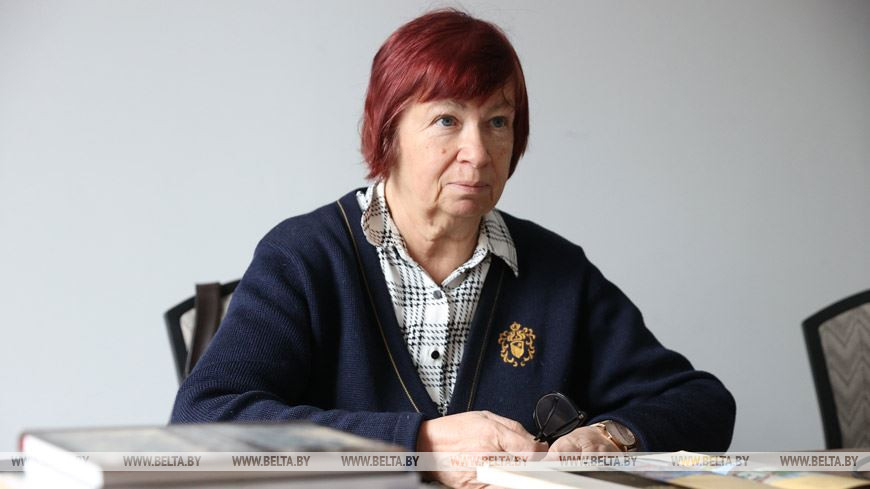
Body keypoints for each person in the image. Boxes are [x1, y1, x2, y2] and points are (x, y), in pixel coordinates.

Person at [171, 9, 736, 488]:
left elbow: (702, 401)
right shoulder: (305, 257)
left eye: (498, 122)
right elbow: (203, 421)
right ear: (388, 131)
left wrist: (613, 436)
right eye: (447, 119)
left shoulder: (557, 270)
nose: (479, 152)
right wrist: (419, 442)